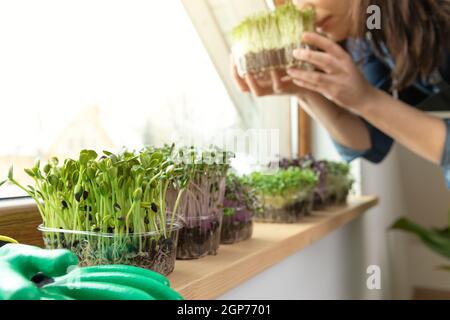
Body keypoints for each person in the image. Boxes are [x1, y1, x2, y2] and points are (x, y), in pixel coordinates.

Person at [231, 0, 450, 187]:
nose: (302, 8)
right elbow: (368, 139)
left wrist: (365, 100)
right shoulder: (372, 29)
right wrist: (304, 91)